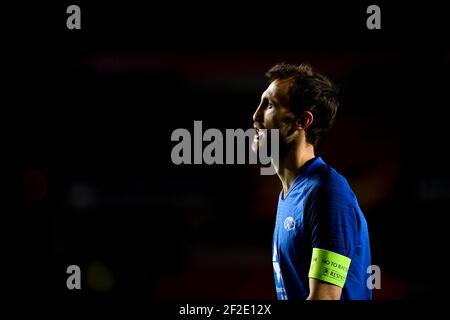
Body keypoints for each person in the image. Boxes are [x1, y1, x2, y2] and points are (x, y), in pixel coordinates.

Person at [252, 63, 371, 300]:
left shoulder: (328, 192)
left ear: (302, 121)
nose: (255, 116)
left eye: (270, 105)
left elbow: (325, 298)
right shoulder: (290, 194)